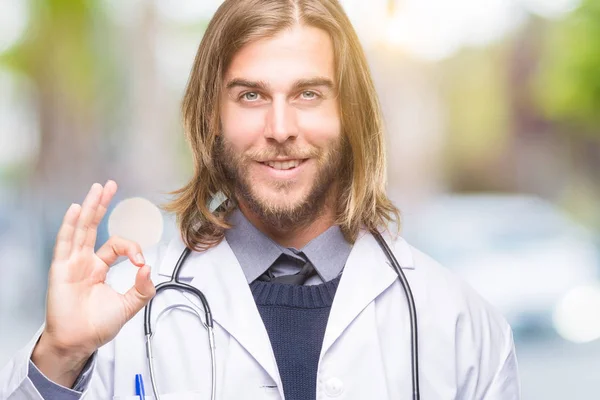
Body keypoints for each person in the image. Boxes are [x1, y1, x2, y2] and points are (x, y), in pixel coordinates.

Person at [0, 0, 520, 399]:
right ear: (212, 117)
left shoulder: (458, 324)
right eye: (251, 95)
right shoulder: (120, 320)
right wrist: (61, 357)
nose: (279, 128)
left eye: (308, 94)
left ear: (352, 115)